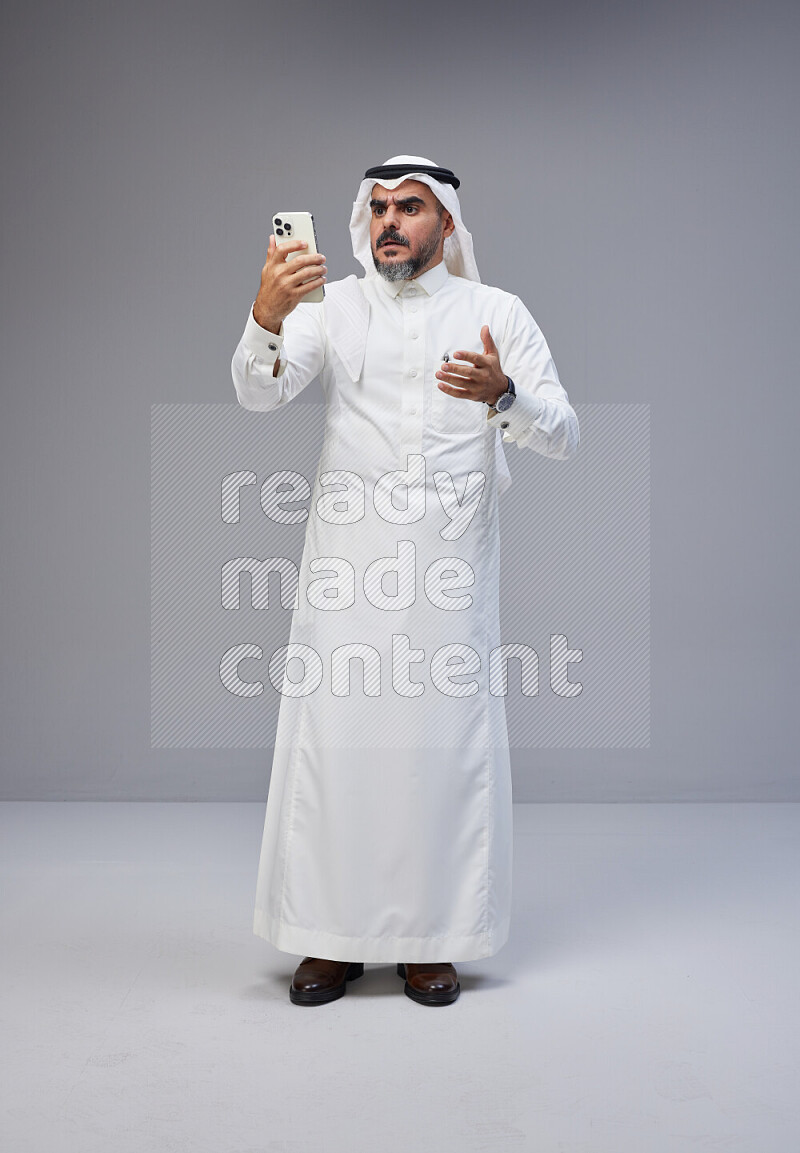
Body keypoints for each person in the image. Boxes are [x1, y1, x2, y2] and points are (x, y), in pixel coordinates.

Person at [231, 155, 579, 1007]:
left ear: (447, 224)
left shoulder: (497, 312)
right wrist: (265, 319)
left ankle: (432, 939)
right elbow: (258, 394)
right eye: (379, 206)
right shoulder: (334, 307)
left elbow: (563, 432)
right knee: (338, 748)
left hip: (450, 574)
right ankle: (328, 940)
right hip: (347, 573)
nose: (390, 220)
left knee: (440, 752)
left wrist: (505, 397)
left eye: (410, 207)